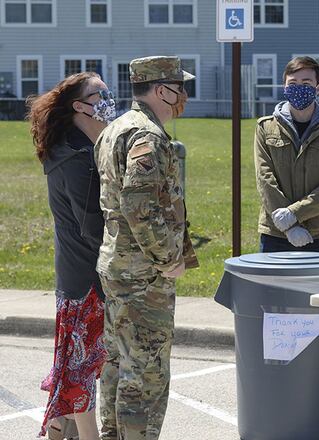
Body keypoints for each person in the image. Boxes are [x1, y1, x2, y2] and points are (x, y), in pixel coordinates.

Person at [94, 56, 198, 440]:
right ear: (161, 90)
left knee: (118, 365)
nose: (183, 96)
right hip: (143, 275)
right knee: (146, 374)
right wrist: (169, 259)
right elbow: (138, 207)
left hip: (118, 267)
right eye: (179, 87)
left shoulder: (115, 128)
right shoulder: (147, 136)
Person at [29, 72, 116, 440]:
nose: (107, 98)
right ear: (80, 106)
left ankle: (56, 426)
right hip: (85, 277)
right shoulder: (75, 157)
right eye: (100, 94)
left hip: (82, 270)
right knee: (82, 364)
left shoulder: (85, 147)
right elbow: (91, 224)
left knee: (76, 361)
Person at [254, 56, 319, 253]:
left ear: (318, 87)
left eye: (306, 83)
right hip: (276, 232)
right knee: (273, 285)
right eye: (293, 83)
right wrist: (287, 224)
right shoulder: (265, 128)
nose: (299, 88)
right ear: (284, 86)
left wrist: (294, 213)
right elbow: (265, 178)